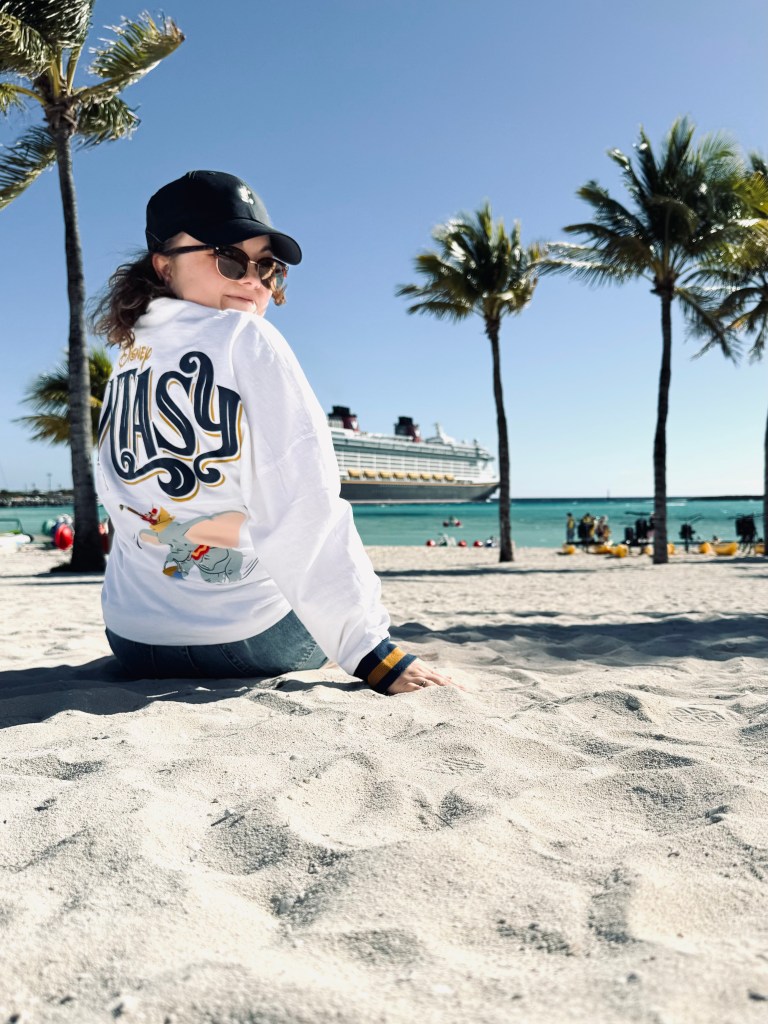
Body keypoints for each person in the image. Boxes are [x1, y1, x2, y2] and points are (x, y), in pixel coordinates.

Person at [93, 170, 455, 696]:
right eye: (229, 258)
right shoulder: (246, 336)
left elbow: (123, 508)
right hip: (249, 640)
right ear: (163, 265)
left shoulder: (129, 359)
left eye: (269, 268)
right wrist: (370, 650)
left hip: (133, 641)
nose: (253, 280)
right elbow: (305, 506)